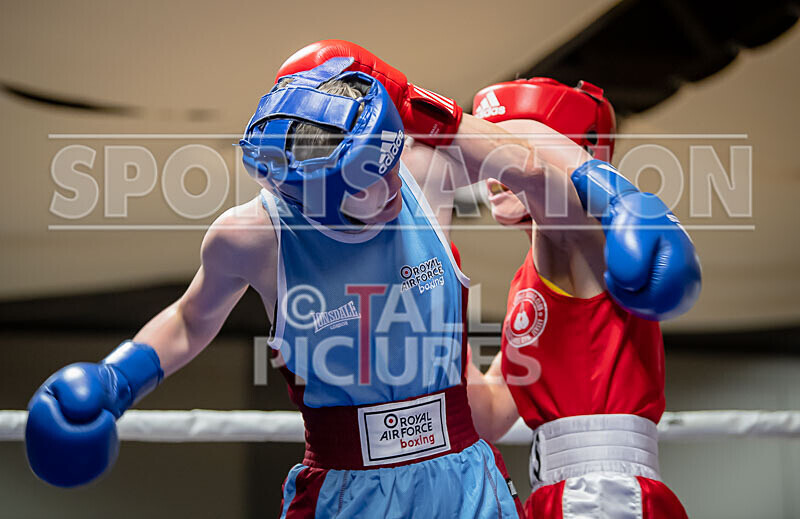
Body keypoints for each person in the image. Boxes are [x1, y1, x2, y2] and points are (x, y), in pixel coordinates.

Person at [464, 78, 700, 518]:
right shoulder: (529, 281)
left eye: (505, 144)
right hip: (558, 493)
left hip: (605, 495)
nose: (491, 176)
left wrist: (441, 122)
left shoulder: (583, 239)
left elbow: (536, 176)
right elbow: (489, 415)